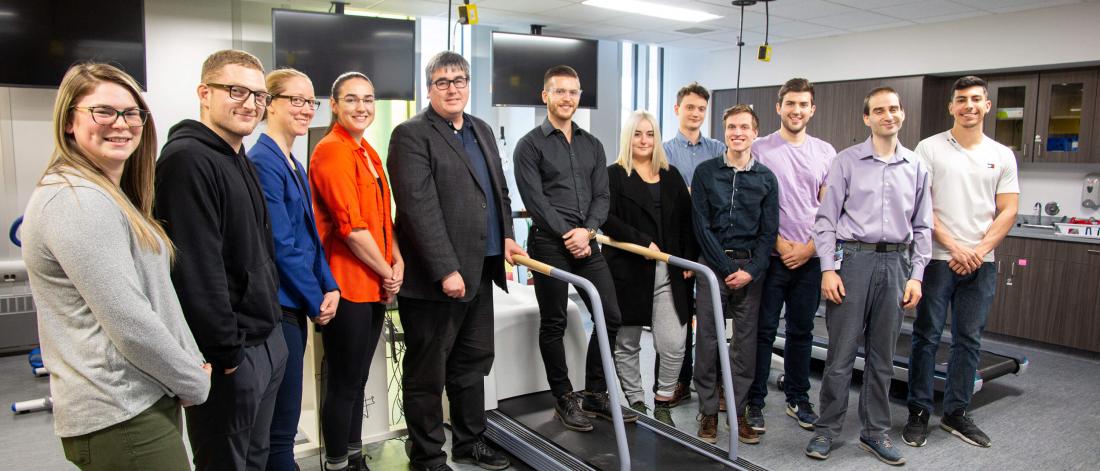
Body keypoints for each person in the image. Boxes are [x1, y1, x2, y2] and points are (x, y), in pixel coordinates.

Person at [22, 62, 211, 471]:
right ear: (69, 120)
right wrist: (193, 379)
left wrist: (188, 362)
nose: (121, 124)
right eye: (103, 111)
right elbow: (130, 321)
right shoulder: (76, 201)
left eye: (131, 113)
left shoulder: (107, 194)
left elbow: (153, 294)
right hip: (120, 412)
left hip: (140, 400)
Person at [388, 51, 525, 471]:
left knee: (472, 365)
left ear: (470, 85)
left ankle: (470, 442)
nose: (452, 88)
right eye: (443, 81)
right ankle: (427, 457)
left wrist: (507, 237)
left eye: (459, 80)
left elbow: (497, 191)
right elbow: (417, 207)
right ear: (429, 88)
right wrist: (445, 268)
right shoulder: (411, 134)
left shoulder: (480, 128)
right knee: (428, 373)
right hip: (436, 281)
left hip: (481, 271)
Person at [154, 49, 288, 471]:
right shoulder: (187, 160)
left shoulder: (236, 154)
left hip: (265, 337)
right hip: (233, 353)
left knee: (256, 457)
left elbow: (257, 250)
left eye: (258, 95)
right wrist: (226, 351)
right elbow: (197, 268)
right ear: (204, 93)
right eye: (235, 90)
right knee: (226, 461)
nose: (249, 103)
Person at [805, 87, 932, 466]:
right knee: (840, 355)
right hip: (853, 262)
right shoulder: (846, 162)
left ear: (902, 114)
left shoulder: (916, 167)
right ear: (867, 118)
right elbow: (825, 222)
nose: (887, 115)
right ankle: (827, 430)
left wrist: (917, 276)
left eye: (893, 109)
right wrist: (828, 268)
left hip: (896, 265)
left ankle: (875, 432)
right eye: (879, 110)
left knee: (882, 357)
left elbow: (923, 227)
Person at [515, 64, 639, 434]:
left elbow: (603, 195)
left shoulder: (592, 144)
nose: (567, 98)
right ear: (545, 96)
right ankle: (564, 397)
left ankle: (595, 393)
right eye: (560, 91)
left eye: (573, 92)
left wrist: (587, 232)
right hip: (547, 245)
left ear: (579, 97)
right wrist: (568, 233)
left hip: (587, 242)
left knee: (610, 315)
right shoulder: (530, 145)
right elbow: (534, 201)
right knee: (554, 321)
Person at [904, 75, 1019, 449]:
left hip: (981, 264)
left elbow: (1008, 209)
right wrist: (956, 248)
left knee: (969, 340)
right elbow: (920, 206)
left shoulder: (1001, 155)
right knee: (926, 337)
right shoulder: (929, 149)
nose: (969, 106)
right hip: (938, 259)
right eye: (961, 100)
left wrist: (979, 251)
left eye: (976, 100)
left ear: (987, 105)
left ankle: (956, 412)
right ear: (951, 106)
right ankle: (919, 412)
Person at [247, 68, 341, 471]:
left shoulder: (292, 163)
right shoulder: (262, 162)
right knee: (278, 432)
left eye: (310, 101)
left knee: (284, 426)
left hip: (298, 304)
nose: (306, 110)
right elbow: (281, 246)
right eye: (296, 100)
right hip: (280, 310)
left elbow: (311, 240)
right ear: (269, 103)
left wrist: (330, 285)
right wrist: (316, 297)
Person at [309, 72, 400, 471]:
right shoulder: (331, 151)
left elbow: (383, 219)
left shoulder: (368, 151)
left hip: (375, 283)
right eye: (351, 99)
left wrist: (396, 261)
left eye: (367, 99)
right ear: (333, 105)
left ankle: (354, 454)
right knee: (344, 381)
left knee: (359, 379)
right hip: (347, 285)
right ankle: (336, 463)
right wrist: (387, 271)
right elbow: (352, 228)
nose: (361, 107)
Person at [745, 78, 837, 433]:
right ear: (778, 107)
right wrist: (779, 245)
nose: (796, 110)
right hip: (770, 256)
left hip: (810, 258)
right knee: (763, 331)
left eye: (803, 105)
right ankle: (754, 400)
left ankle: (798, 397)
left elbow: (830, 208)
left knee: (802, 331)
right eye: (790, 104)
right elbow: (753, 205)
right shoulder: (760, 149)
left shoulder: (826, 152)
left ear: (811, 110)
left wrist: (810, 248)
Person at [602, 110, 698, 427]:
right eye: (638, 134)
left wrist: (687, 259)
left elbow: (687, 222)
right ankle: (637, 402)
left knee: (674, 343)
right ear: (628, 138)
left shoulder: (670, 176)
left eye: (650, 134)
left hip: (670, 270)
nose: (644, 140)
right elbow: (606, 217)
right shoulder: (613, 174)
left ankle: (662, 401)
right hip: (628, 270)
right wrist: (640, 241)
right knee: (626, 343)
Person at [690, 104, 778, 445]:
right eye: (731, 127)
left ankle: (737, 412)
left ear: (755, 133)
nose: (737, 133)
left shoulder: (766, 179)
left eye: (744, 127)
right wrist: (728, 270)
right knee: (708, 341)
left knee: (744, 345)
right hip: (713, 268)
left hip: (751, 272)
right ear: (724, 131)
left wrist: (751, 271)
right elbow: (701, 226)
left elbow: (769, 233)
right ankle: (709, 412)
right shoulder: (706, 173)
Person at [660, 82, 726, 407]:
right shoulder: (664, 151)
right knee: (680, 314)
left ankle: (711, 379)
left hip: (713, 243)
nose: (696, 113)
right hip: (679, 243)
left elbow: (725, 195)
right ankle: (679, 381)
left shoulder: (718, 149)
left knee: (715, 315)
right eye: (690, 107)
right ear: (677, 109)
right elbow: (668, 199)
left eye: (701, 108)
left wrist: (691, 192)